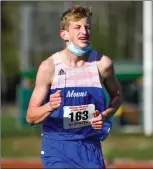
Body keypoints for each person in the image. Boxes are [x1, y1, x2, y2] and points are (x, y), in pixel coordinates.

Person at [26, 4, 122, 169]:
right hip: (57, 147)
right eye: (77, 27)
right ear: (64, 34)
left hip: (90, 148)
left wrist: (105, 116)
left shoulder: (102, 64)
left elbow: (117, 96)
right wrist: (49, 106)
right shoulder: (49, 67)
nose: (84, 32)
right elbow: (31, 116)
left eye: (87, 27)